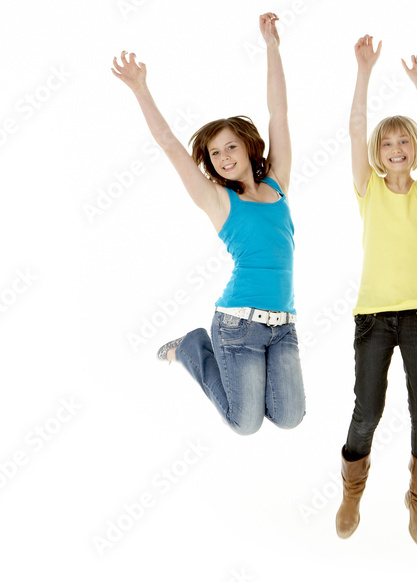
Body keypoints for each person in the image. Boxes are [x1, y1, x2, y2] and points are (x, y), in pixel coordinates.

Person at [110, 13, 305, 436]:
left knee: (290, 417)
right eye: (215, 154)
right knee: (245, 423)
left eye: (231, 146)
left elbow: (279, 112)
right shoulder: (218, 201)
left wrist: (272, 46)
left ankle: (235, 367)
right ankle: (190, 346)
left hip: (284, 325)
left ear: (250, 149)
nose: (224, 157)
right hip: (237, 325)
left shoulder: (278, 182)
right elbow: (168, 144)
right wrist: (142, 89)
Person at [334, 35, 417, 549]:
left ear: (413, 150)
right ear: (379, 155)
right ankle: (352, 491)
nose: (395, 149)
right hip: (374, 317)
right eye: (388, 143)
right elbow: (356, 130)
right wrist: (364, 71)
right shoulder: (368, 188)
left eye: (404, 142)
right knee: (367, 411)